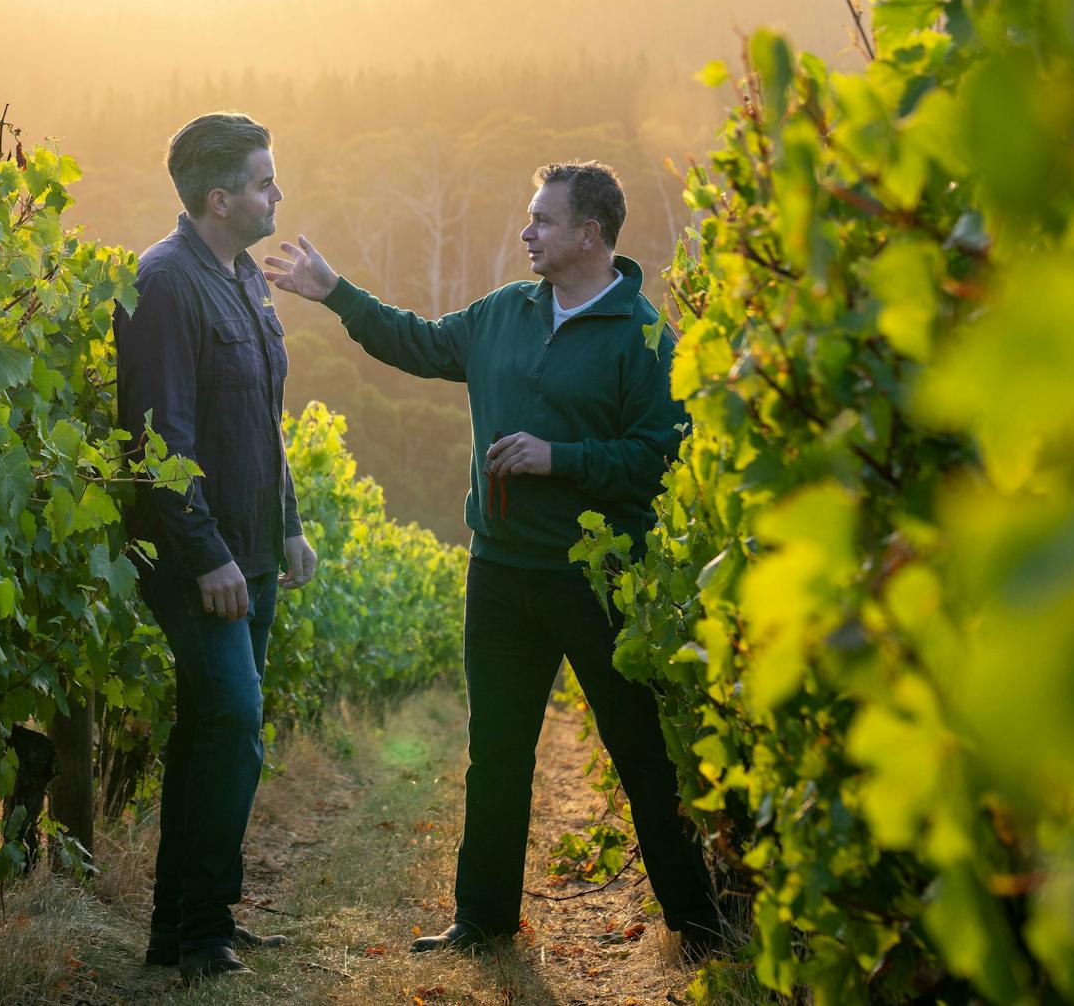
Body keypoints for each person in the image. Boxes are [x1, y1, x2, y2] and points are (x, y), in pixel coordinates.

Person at [264, 160, 729, 959]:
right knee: (498, 752)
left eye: (542, 221)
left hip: (601, 579)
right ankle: (481, 922)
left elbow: (660, 458)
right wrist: (336, 292)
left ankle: (698, 928)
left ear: (590, 235)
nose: (527, 232)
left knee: (642, 754)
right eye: (529, 218)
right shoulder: (502, 312)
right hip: (502, 571)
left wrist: (562, 458)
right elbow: (417, 342)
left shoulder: (647, 337)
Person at [116, 113, 319, 983]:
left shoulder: (244, 278)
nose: (278, 194)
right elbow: (156, 441)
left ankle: (195, 927)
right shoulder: (164, 283)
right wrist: (206, 556)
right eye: (266, 181)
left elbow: (261, 421)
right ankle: (195, 929)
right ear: (219, 197)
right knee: (233, 724)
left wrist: (293, 522)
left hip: (255, 548)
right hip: (201, 559)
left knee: (216, 731)